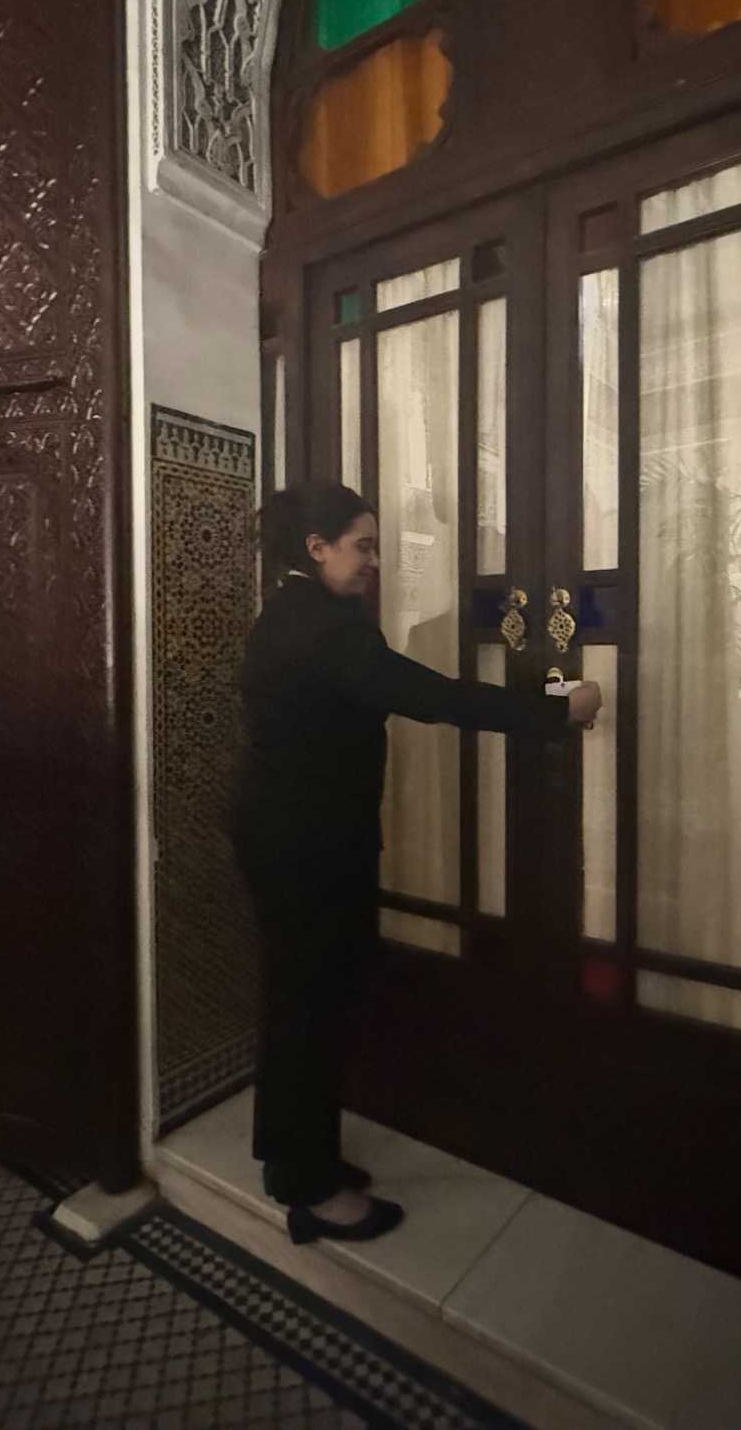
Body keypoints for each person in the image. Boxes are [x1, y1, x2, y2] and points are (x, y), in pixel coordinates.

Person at [231, 482, 603, 1244]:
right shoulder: (325, 631)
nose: (375, 561)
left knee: (296, 999)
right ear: (317, 548)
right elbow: (430, 696)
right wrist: (556, 712)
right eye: (363, 546)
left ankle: (292, 1159)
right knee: (309, 1007)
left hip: (284, 837)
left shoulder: (292, 613)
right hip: (305, 848)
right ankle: (310, 1188)